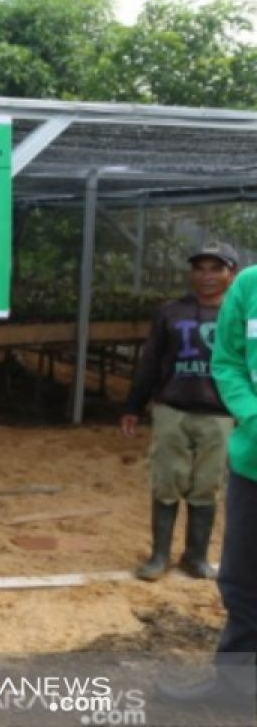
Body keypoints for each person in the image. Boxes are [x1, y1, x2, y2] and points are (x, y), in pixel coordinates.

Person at [156, 246, 257, 712]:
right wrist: (253, 415)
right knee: (240, 579)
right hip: (253, 462)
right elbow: (230, 362)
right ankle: (235, 687)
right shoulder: (250, 287)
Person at [121, 242, 239, 581]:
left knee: (206, 484)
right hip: (172, 408)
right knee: (167, 480)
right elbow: (150, 362)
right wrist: (133, 405)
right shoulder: (171, 312)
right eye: (199, 268)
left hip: (219, 414)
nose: (206, 276)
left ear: (230, 274)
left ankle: (196, 556)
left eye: (215, 269)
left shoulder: (239, 314)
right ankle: (160, 555)